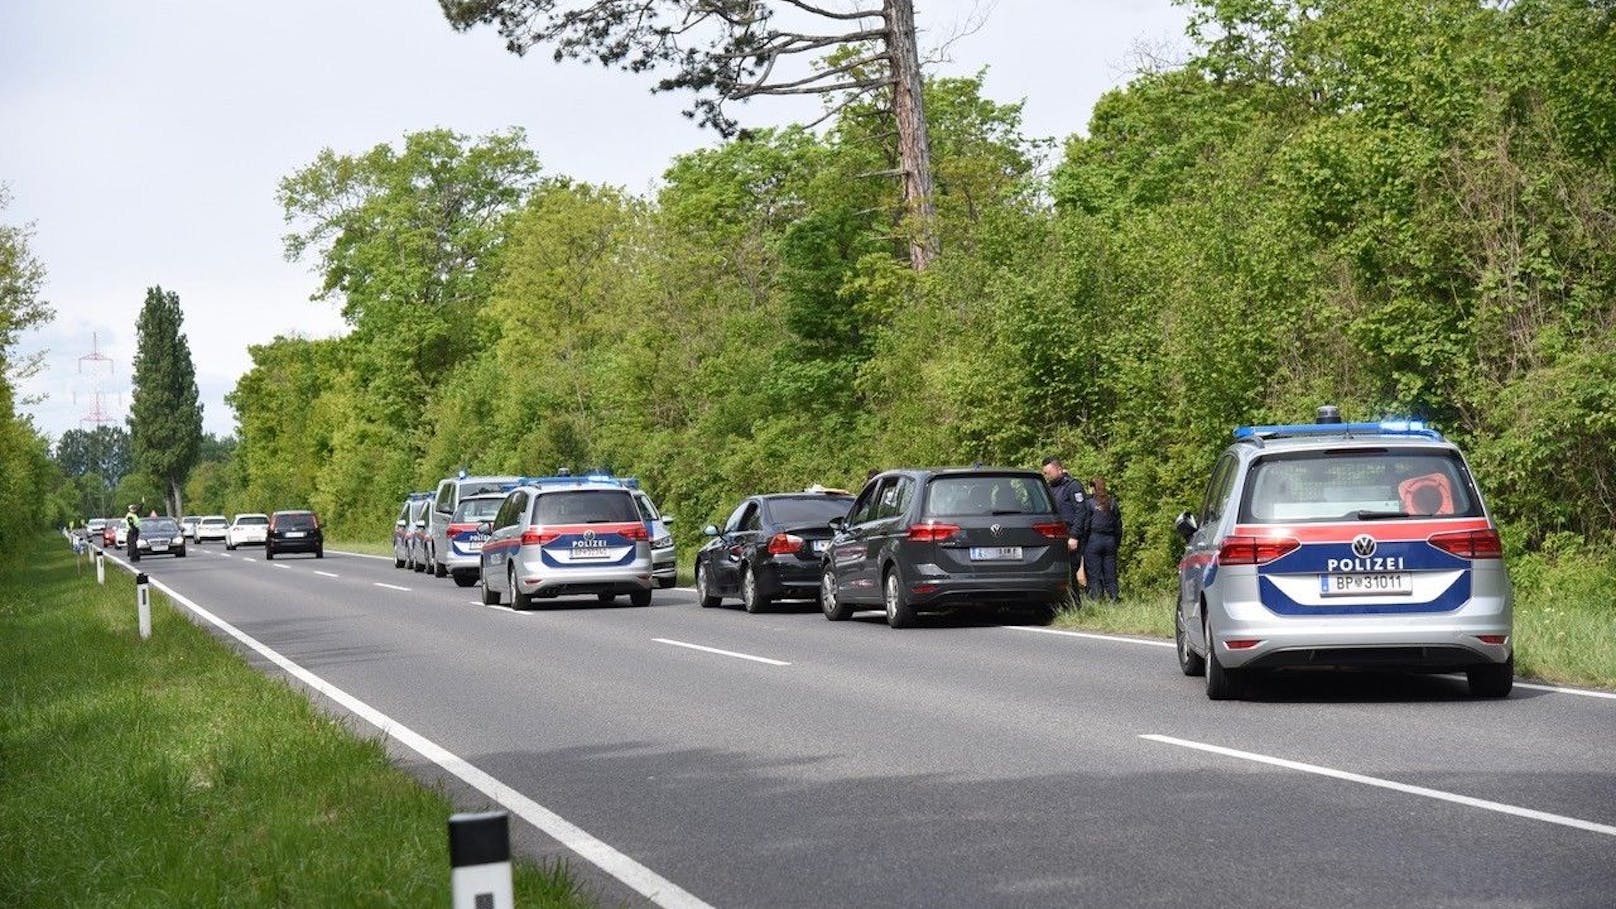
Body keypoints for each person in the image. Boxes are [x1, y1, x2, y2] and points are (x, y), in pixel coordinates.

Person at [1040, 457, 1086, 604]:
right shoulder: (1049, 488)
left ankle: (1074, 605)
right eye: (1045, 473)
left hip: (1070, 535)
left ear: (1059, 469)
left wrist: (1074, 536)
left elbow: (1081, 512)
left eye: (1048, 473)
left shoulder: (1072, 486)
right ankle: (1060, 604)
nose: (1046, 476)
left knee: (1071, 571)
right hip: (1055, 536)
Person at [1081, 477, 1122, 601]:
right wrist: (1116, 543)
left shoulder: (1089, 503)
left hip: (1094, 540)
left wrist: (1083, 545)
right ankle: (1114, 598)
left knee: (1094, 574)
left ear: (1093, 488)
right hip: (1110, 541)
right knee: (1111, 573)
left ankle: (1096, 599)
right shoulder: (1112, 503)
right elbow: (1119, 526)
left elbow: (1086, 525)